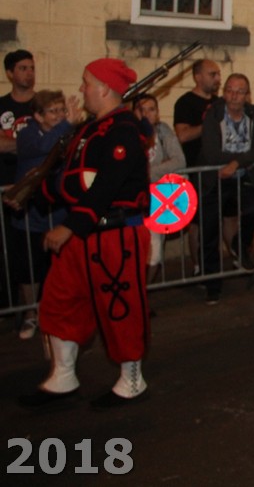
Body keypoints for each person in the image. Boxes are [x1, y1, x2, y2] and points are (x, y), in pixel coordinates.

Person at [19, 59, 152, 409]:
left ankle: (132, 380)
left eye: (86, 82)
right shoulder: (91, 128)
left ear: (105, 89)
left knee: (120, 307)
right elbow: (76, 177)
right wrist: (40, 191)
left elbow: (107, 184)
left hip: (115, 234)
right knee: (61, 299)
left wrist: (70, 226)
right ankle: (63, 376)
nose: (81, 89)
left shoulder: (123, 130)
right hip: (85, 230)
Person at [10, 91, 79, 339]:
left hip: (57, 210)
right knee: (29, 268)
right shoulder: (27, 135)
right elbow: (44, 146)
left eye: (62, 110)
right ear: (38, 116)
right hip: (30, 213)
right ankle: (31, 313)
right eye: (53, 111)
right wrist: (67, 124)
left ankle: (54, 312)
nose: (59, 115)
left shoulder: (66, 131)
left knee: (58, 267)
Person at [197, 73, 254, 305]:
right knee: (209, 231)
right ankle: (212, 285)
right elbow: (211, 152)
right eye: (230, 90)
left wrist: (236, 163)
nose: (234, 96)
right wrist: (242, 159)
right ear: (224, 92)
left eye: (240, 91)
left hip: (240, 176)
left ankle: (239, 243)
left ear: (248, 95)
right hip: (214, 178)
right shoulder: (213, 114)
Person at [173, 59, 221, 271]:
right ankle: (198, 265)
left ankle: (222, 261)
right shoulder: (185, 103)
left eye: (218, 74)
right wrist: (208, 125)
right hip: (196, 170)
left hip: (218, 169)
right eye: (212, 74)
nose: (218, 79)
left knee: (222, 216)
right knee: (197, 221)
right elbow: (182, 135)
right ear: (198, 76)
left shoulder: (220, 103)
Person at [133, 93, 185, 283]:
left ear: (157, 113)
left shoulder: (163, 132)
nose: (146, 114)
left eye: (151, 109)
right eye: (141, 110)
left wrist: (148, 172)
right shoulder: (127, 134)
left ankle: (145, 289)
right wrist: (162, 167)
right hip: (133, 200)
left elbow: (179, 161)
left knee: (154, 251)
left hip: (157, 199)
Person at [0, 49, 37, 185]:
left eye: (32, 68)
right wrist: (33, 145)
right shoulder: (1, 105)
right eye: (23, 68)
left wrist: (9, 143)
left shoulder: (44, 104)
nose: (29, 73)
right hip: (5, 180)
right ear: (10, 73)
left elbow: (50, 143)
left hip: (35, 180)